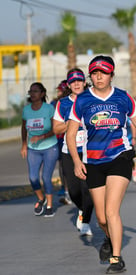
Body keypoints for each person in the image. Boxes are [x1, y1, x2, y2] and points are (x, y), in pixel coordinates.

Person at [66, 55, 136, 273]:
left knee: (111, 211)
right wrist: (76, 161)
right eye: (94, 73)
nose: (98, 77)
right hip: (93, 161)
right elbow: (70, 134)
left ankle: (117, 258)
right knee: (101, 218)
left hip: (120, 157)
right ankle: (108, 237)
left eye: (103, 73)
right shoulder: (82, 100)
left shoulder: (123, 98)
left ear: (111, 75)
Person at [53, 68, 94, 236]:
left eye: (79, 80)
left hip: (91, 151)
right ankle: (82, 210)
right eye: (72, 82)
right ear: (68, 85)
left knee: (88, 188)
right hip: (69, 151)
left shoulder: (93, 99)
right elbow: (56, 128)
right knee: (75, 191)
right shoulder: (63, 104)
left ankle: (85, 219)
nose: (76, 84)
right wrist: (73, 122)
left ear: (84, 82)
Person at [21, 82, 59, 217]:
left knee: (46, 177)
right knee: (32, 178)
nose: (32, 94)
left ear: (42, 94)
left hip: (50, 147)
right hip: (33, 149)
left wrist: (42, 136)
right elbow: (23, 128)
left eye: (36, 91)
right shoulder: (26, 110)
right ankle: (41, 198)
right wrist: (24, 144)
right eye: (31, 91)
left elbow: (55, 129)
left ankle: (49, 205)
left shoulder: (49, 108)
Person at [52, 80, 72, 205]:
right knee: (63, 165)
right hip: (60, 138)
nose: (58, 92)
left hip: (77, 139)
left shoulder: (75, 101)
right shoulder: (56, 103)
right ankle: (66, 191)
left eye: (60, 90)